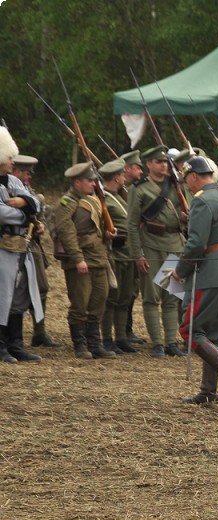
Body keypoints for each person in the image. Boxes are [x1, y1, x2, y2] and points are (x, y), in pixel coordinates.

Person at [171, 157, 218, 404]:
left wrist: (179, 271)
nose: (187, 185)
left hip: (211, 273)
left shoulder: (201, 201)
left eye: (187, 180)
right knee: (211, 334)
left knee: (189, 329)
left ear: (193, 176)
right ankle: (207, 392)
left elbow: (196, 244)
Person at [126, 145, 189, 357]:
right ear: (149, 164)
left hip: (173, 244)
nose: (163, 165)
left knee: (171, 297)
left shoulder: (175, 186)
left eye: (165, 162)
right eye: (158, 162)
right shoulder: (139, 188)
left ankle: (171, 342)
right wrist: (138, 254)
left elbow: (184, 211)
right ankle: (157, 344)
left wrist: (184, 218)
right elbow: (132, 224)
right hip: (151, 246)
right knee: (151, 298)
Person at [54, 162, 116, 360]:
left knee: (99, 301)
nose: (93, 184)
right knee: (80, 303)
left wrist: (107, 234)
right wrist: (78, 258)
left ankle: (95, 344)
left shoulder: (94, 200)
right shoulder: (68, 203)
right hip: (81, 260)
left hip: (98, 258)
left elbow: (94, 228)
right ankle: (80, 345)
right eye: (89, 180)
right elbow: (66, 232)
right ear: (77, 182)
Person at [0, 127, 44, 364]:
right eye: (7, 157)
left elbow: (36, 203)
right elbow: (3, 213)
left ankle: (16, 344)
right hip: (2, 247)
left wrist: (25, 203)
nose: (11, 161)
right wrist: (26, 214)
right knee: (2, 295)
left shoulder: (14, 180)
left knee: (18, 296)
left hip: (20, 246)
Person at [11, 154, 57, 349]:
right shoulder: (9, 190)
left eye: (28, 172)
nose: (26, 176)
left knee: (41, 287)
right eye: (23, 171)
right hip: (13, 244)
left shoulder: (27, 190)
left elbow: (40, 212)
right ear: (14, 171)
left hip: (32, 244)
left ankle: (39, 332)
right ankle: (13, 338)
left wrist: (41, 226)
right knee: (14, 293)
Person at [98, 158, 137, 354]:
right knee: (112, 298)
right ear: (116, 177)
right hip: (115, 253)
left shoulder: (120, 196)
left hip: (128, 253)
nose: (124, 177)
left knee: (125, 297)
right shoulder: (103, 197)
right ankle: (107, 338)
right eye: (122, 175)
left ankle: (121, 337)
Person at [118, 149, 146, 346]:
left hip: (133, 247)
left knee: (132, 291)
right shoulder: (117, 193)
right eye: (137, 168)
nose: (140, 172)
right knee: (121, 293)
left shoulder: (130, 191)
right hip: (121, 249)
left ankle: (127, 329)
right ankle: (120, 333)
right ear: (127, 169)